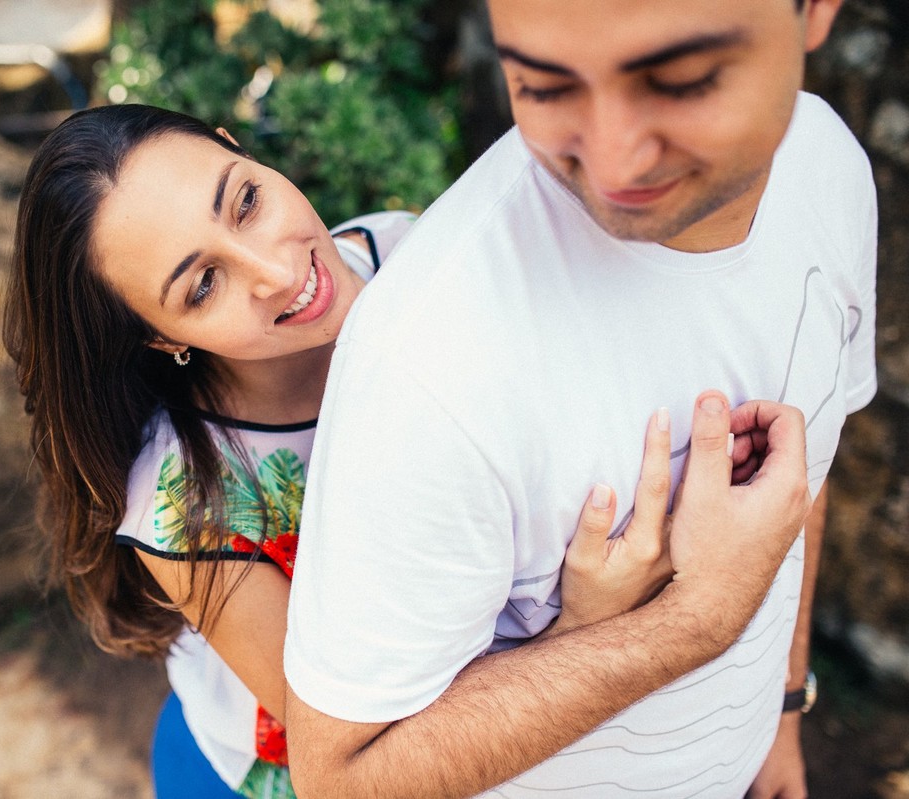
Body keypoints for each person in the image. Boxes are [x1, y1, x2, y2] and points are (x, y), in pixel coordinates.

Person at [2, 104, 693, 798]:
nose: (274, 270)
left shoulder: (410, 253)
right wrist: (584, 624)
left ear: (237, 147)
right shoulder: (184, 504)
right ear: (160, 338)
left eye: (246, 201)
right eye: (204, 285)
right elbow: (357, 747)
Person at [282, 0, 876, 797]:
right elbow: (341, 778)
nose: (616, 160)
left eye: (683, 81)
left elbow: (805, 471)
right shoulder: (430, 359)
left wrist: (783, 704)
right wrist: (695, 619)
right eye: (544, 86)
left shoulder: (827, 164)